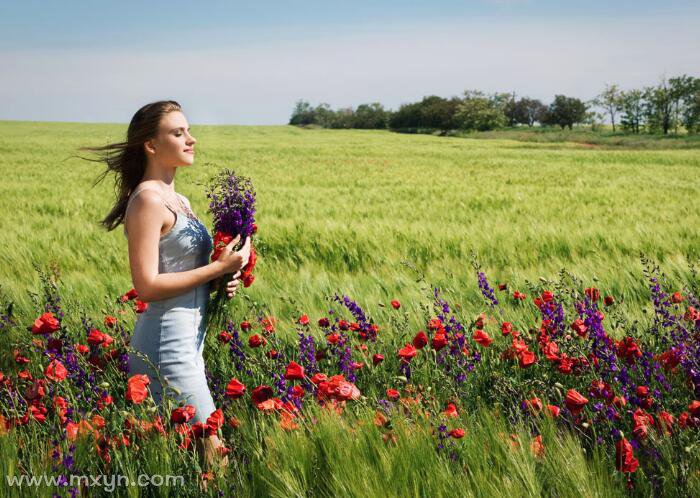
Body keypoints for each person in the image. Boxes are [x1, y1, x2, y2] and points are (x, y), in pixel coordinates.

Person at [81, 100, 250, 470]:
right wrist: (215, 269)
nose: (192, 139)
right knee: (211, 450)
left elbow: (183, 269)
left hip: (189, 341)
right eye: (178, 132)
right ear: (151, 145)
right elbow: (147, 285)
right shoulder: (147, 200)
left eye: (188, 130)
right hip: (165, 343)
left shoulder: (181, 200)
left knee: (193, 455)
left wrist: (222, 278)